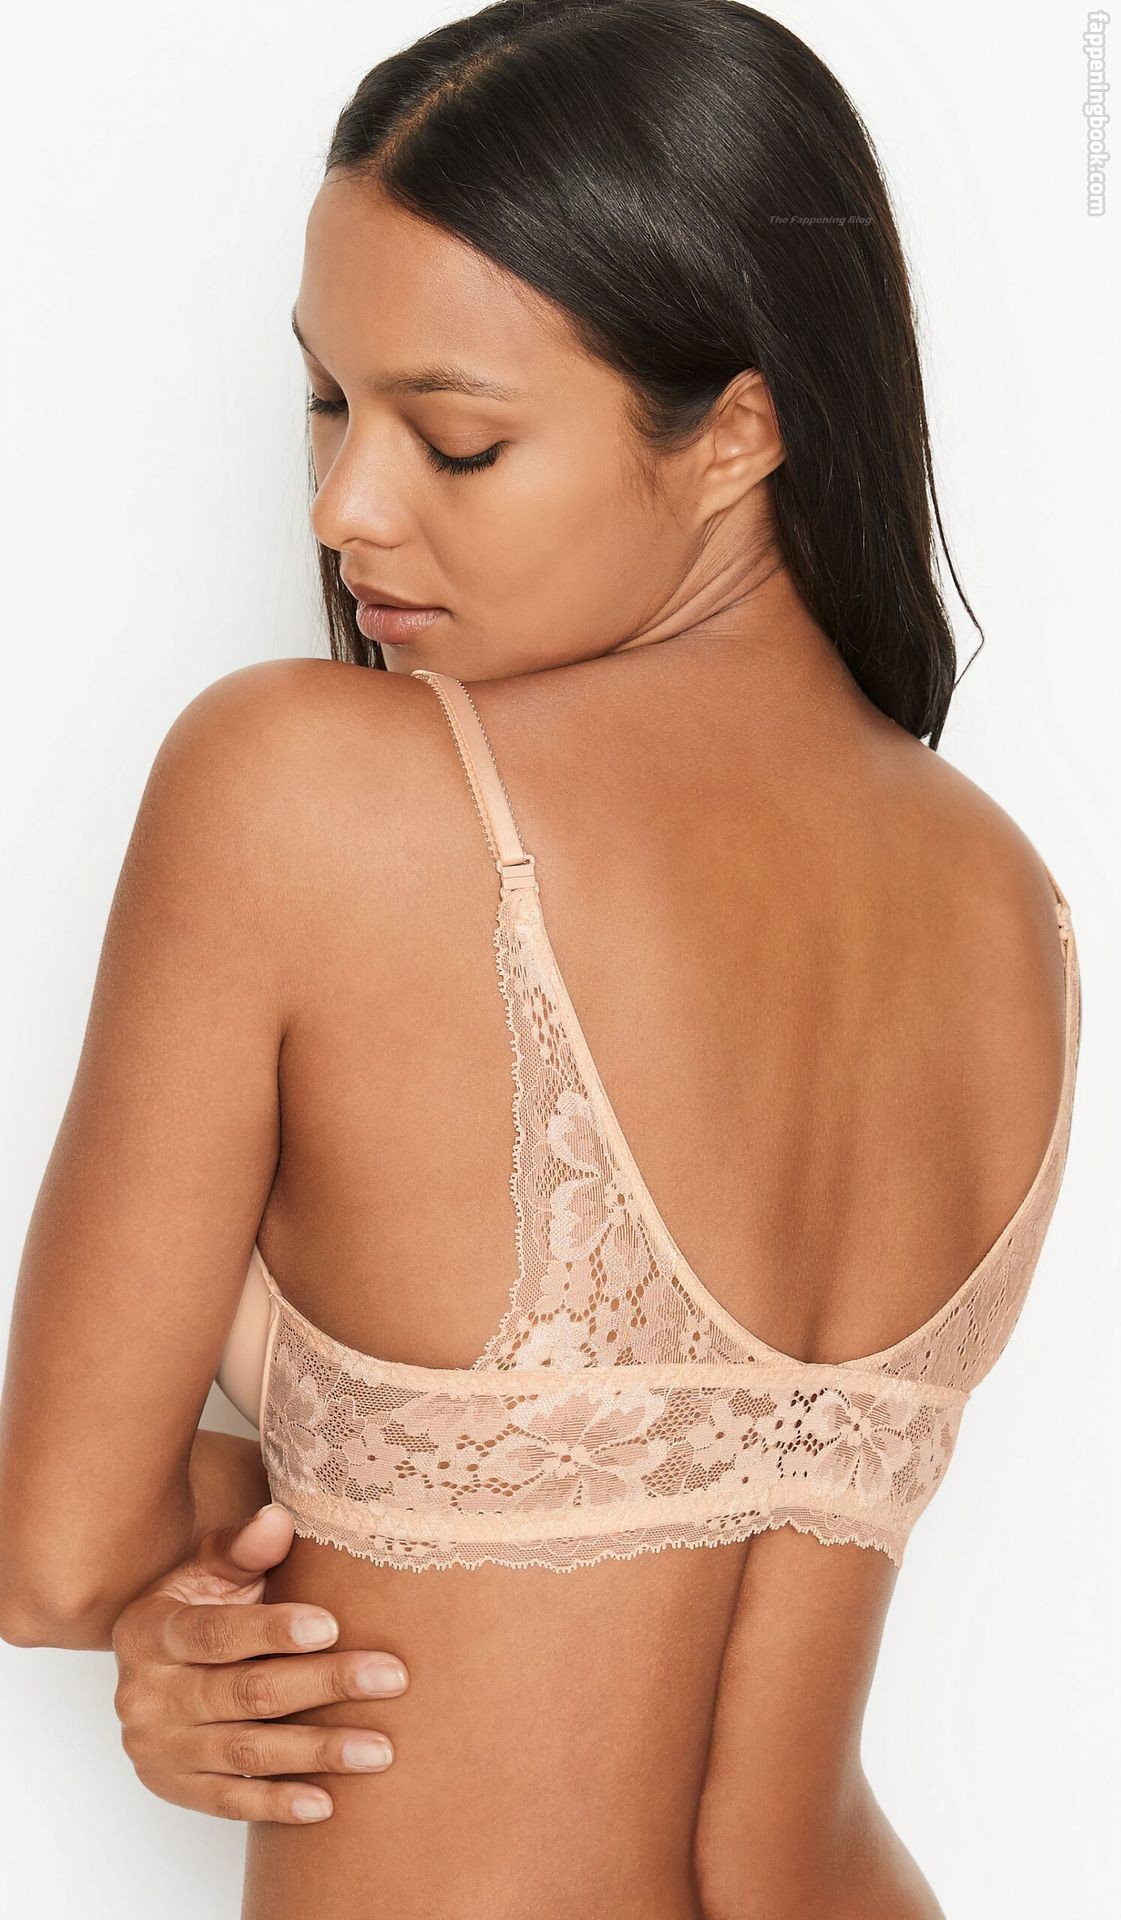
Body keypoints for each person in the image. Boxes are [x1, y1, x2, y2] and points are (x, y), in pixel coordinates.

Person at [0, 4, 1081, 1917]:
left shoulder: (305, 788)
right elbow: (701, 1519)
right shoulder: (1007, 903)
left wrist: (225, 1583)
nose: (345, 507)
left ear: (737, 430)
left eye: (457, 438)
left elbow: (59, 1551)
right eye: (325, 403)